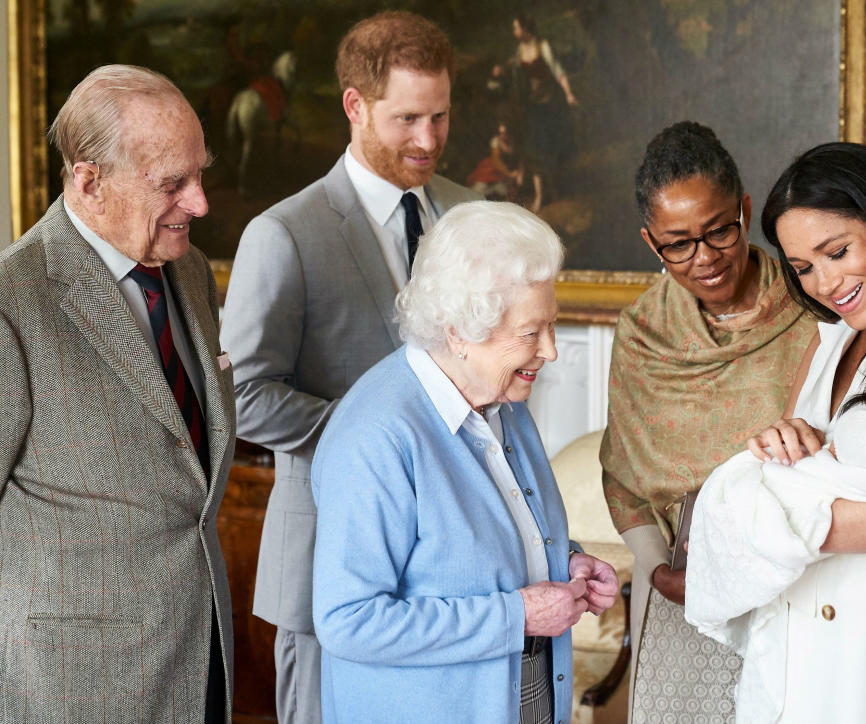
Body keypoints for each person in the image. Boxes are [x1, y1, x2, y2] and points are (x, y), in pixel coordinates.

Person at [219, 11, 478, 723]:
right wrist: (381, 433)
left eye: (441, 116)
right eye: (407, 120)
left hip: (454, 572)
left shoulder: (470, 212)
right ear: (354, 106)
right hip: (328, 562)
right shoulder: (283, 235)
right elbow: (241, 396)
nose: (428, 140)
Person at [311, 200, 618, 724]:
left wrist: (563, 562)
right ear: (459, 331)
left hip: (524, 694)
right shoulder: (377, 436)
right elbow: (349, 621)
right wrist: (517, 615)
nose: (550, 350)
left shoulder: (503, 398)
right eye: (530, 333)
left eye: (552, 326)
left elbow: (475, 552)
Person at [0, 65, 235, 723]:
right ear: (89, 181)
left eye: (199, 175)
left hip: (201, 657)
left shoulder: (188, 272)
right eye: (172, 184)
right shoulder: (12, 302)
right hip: (74, 685)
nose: (200, 204)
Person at [726, 141, 866, 723]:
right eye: (803, 267)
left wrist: (759, 519)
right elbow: (797, 470)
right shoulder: (829, 340)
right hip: (803, 645)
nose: (824, 283)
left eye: (837, 251)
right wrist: (782, 444)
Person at [599, 121, 816, 723]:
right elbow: (623, 476)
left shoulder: (812, 310)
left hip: (795, 573)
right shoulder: (642, 335)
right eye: (679, 243)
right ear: (651, 242)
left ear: (745, 210)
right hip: (679, 583)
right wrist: (662, 571)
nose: (705, 259)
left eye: (720, 230)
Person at [685, 404, 866, 720]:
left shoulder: (831, 477)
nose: (828, 447)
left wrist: (725, 533)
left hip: (841, 621)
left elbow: (777, 523)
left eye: (835, 446)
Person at [510, 14, 577, 213]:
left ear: (526, 29)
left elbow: (558, 71)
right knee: (533, 150)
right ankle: (540, 195)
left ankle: (556, 191)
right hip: (533, 107)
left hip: (551, 105)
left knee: (550, 149)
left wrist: (569, 94)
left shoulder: (543, 46)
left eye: (516, 28)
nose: (514, 32)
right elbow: (515, 75)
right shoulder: (519, 50)